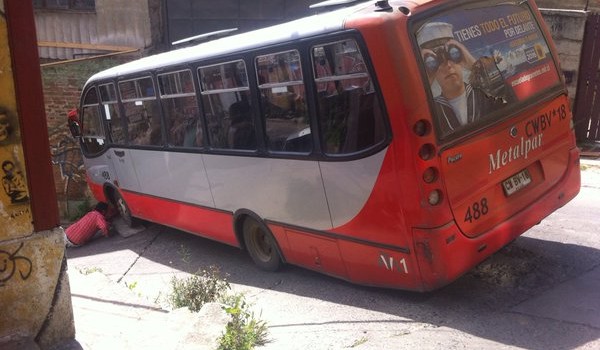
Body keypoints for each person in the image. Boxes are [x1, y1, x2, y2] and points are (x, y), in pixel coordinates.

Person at [417, 21, 505, 136]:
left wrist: (473, 64)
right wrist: (425, 80)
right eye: (435, 62)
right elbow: (415, 126)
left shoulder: (484, 96)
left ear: (461, 57)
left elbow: (509, 100)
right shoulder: (432, 109)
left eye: (453, 55)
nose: (448, 65)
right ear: (431, 70)